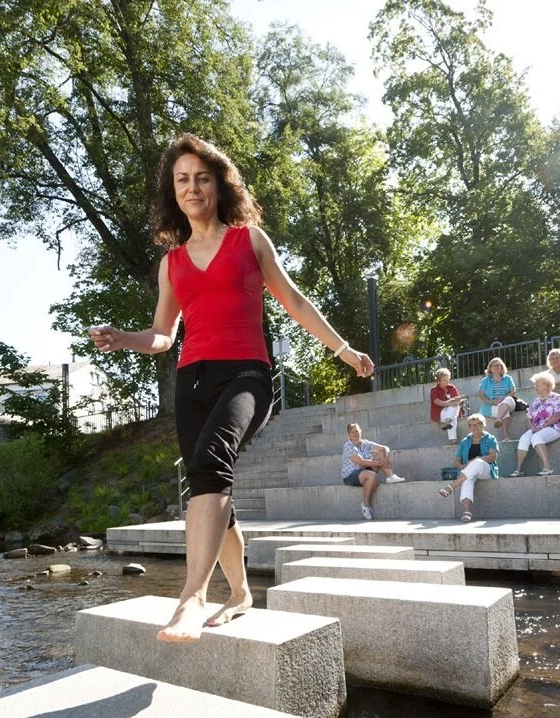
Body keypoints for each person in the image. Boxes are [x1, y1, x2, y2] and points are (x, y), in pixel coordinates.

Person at [89, 133, 372, 642]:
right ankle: (240, 593)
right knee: (207, 483)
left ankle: (192, 596)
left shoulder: (249, 240)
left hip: (245, 373)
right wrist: (122, 338)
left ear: (219, 186)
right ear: (172, 193)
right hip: (191, 378)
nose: (192, 187)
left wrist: (344, 350)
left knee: (212, 460)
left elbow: (296, 302)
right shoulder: (171, 262)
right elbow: (162, 335)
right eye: (182, 180)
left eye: (202, 178)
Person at [438, 414, 499, 523]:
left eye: (476, 425)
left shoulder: (490, 438)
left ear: (483, 425)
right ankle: (467, 512)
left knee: (478, 462)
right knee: (466, 479)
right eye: (471, 425)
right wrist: (463, 466)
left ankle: (452, 486)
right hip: (469, 471)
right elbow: (457, 461)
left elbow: (493, 456)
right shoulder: (465, 441)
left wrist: (475, 460)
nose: (473, 427)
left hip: (486, 469)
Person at [341, 422, 405, 520]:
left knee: (380, 454)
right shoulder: (348, 446)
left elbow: (385, 448)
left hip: (364, 471)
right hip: (351, 475)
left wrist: (386, 457)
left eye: (357, 431)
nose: (355, 434)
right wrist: (381, 463)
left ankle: (390, 476)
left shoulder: (365, 443)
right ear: (348, 434)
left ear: (360, 431)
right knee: (372, 475)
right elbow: (361, 462)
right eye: (352, 432)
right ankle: (366, 505)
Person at [511, 372, 560, 477]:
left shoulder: (556, 398)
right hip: (537, 428)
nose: (535, 387)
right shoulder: (535, 401)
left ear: (546, 385)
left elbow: (557, 416)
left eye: (538, 384)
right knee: (524, 438)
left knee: (536, 437)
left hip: (554, 427)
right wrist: (533, 428)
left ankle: (547, 467)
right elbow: (528, 418)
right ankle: (519, 469)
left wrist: (542, 427)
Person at [477, 357, 518, 439]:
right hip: (492, 405)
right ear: (490, 368)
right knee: (504, 411)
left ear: (502, 367)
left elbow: (513, 391)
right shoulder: (486, 380)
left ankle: (498, 418)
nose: (496, 367)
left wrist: (503, 399)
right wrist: (491, 402)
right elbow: (480, 395)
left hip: (508, 402)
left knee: (507, 400)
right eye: (494, 366)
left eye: (498, 365)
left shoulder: (507, 378)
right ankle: (506, 436)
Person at [430, 367, 465, 442]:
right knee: (452, 416)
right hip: (440, 412)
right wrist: (448, 403)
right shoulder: (434, 390)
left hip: (452, 410)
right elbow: (436, 401)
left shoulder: (452, 387)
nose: (447, 382)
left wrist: (457, 400)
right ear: (438, 380)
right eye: (444, 380)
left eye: (448, 379)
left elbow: (457, 400)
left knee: (455, 406)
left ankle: (448, 424)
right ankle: (452, 437)